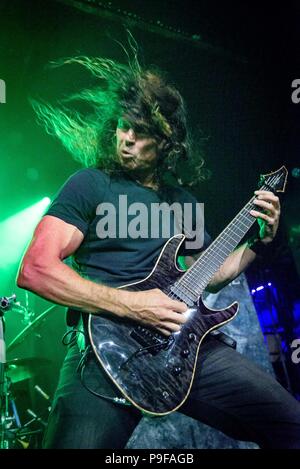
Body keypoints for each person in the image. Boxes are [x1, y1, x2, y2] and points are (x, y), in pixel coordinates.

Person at [17, 51, 300, 449]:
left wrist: (259, 243)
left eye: (141, 131)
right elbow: (35, 269)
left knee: (291, 425)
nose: (126, 138)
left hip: (184, 345)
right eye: (121, 126)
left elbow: (206, 276)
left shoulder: (182, 200)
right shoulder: (91, 184)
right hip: (106, 349)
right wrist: (132, 306)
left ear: (167, 140)